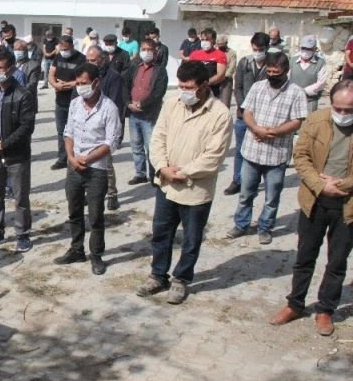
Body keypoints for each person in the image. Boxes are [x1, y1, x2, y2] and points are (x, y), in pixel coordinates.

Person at [136, 61, 232, 304]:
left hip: (195, 189)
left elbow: (213, 156)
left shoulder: (220, 114)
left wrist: (184, 172)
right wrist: (161, 167)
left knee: (191, 238)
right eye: (181, 86)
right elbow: (158, 137)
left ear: (203, 85)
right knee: (161, 233)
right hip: (167, 184)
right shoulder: (172, 104)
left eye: (189, 87)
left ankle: (181, 279)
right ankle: (158, 275)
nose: (184, 92)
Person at [270, 80, 353, 336]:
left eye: (349, 110)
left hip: (347, 205)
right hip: (315, 200)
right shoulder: (316, 120)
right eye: (338, 108)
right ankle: (295, 303)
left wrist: (344, 184)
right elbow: (301, 156)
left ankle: (326, 309)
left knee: (337, 261)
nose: (343, 114)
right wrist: (320, 184)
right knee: (305, 256)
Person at [227, 51, 308, 244]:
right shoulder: (257, 87)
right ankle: (241, 224)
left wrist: (275, 132)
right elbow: (247, 112)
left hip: (276, 154)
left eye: (276, 72)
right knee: (246, 193)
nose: (272, 75)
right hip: (252, 151)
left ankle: (265, 228)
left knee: (272, 198)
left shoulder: (296, 92)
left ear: (286, 71)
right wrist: (256, 128)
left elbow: (297, 121)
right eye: (269, 71)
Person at [54, 63, 122, 275]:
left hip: (97, 170)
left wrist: (88, 158)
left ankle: (96, 255)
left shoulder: (109, 108)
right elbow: (68, 133)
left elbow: (111, 142)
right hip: (74, 167)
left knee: (95, 216)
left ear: (95, 82)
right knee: (74, 211)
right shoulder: (75, 104)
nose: (80, 87)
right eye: (78, 83)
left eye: (84, 83)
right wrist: (72, 158)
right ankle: (76, 249)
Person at [0, 46, 36, 253]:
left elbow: (26, 126)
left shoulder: (23, 95)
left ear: (11, 69)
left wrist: (6, 143)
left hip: (17, 156)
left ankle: (22, 234)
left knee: (20, 198)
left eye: (1, 67)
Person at [225, 32, 269, 196]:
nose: (257, 52)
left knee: (258, 150)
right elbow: (238, 88)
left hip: (262, 117)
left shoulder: (271, 65)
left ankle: (252, 181)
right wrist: (244, 108)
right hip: (243, 114)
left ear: (267, 48)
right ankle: (237, 180)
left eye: (260, 49)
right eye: (255, 48)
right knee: (240, 150)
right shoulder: (245, 63)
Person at [85, 46, 124, 210]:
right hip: (87, 124)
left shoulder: (113, 77)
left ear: (102, 59)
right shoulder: (86, 74)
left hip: (104, 126)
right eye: (87, 60)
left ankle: (112, 194)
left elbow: (114, 103)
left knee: (105, 164)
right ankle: (90, 192)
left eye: (93, 60)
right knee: (86, 163)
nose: (90, 63)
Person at [124, 38, 169, 184]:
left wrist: (142, 104)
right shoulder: (134, 67)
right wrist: (128, 103)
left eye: (149, 49)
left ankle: (153, 175)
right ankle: (140, 174)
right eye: (143, 49)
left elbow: (158, 93)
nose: (146, 52)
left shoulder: (160, 71)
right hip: (133, 114)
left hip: (149, 115)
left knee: (151, 147)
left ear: (155, 52)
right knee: (136, 146)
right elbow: (125, 86)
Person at [49, 35, 86, 170]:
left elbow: (83, 78)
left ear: (71, 46)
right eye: (61, 48)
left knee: (76, 131)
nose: (63, 51)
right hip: (60, 101)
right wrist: (55, 85)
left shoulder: (81, 58)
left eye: (66, 48)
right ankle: (62, 158)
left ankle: (77, 157)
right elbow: (51, 74)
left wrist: (68, 85)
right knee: (61, 131)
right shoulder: (58, 57)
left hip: (75, 100)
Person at [290, 35, 328, 113]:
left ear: (314, 49)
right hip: (292, 98)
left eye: (309, 49)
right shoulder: (292, 61)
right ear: (300, 48)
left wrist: (304, 91)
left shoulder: (320, 63)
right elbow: (287, 78)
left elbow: (321, 83)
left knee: (309, 122)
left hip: (310, 100)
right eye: (304, 48)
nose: (306, 51)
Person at [189, 28, 227, 99]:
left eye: (207, 40)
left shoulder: (220, 55)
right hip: (193, 90)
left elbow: (220, 75)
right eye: (202, 40)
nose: (204, 42)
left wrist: (205, 84)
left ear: (213, 40)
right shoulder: (194, 54)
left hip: (212, 91)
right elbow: (188, 70)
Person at [13, 39, 41, 113]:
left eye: (19, 49)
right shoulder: (11, 64)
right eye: (15, 49)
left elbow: (32, 85)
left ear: (25, 51)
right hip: (12, 104)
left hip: (27, 103)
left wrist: (14, 90)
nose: (17, 51)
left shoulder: (34, 65)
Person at [215, 34, 236, 108]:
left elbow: (232, 67)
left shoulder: (232, 53)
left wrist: (222, 76)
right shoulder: (214, 51)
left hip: (226, 80)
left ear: (226, 43)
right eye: (218, 44)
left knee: (225, 103)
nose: (220, 46)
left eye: (222, 44)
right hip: (214, 80)